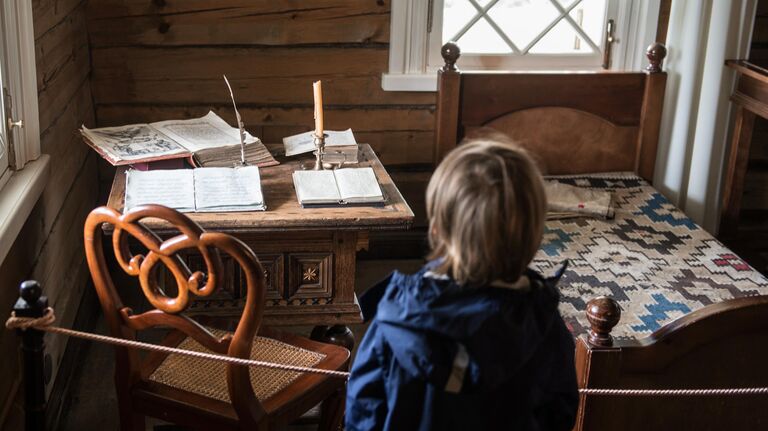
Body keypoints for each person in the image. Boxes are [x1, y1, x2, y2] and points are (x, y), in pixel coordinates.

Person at [345, 136, 578, 431]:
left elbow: (363, 413)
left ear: (437, 229)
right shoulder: (544, 326)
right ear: (533, 233)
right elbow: (560, 413)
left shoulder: (398, 319)